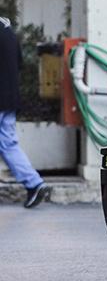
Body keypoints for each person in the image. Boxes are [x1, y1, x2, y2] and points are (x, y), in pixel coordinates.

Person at [0, 16, 50, 208]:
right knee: (9, 144)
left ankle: (34, 184)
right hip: (10, 99)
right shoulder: (8, 32)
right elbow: (19, 64)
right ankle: (35, 184)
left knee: (8, 144)